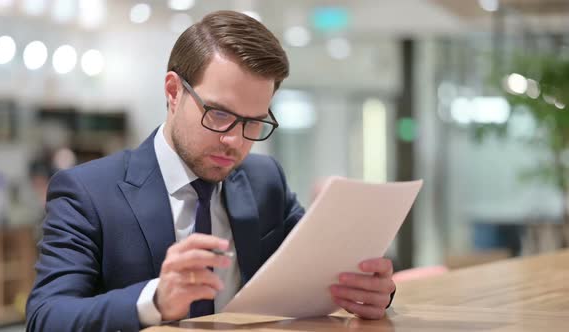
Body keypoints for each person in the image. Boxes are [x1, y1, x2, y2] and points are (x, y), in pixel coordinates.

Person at [26, 10, 396, 332]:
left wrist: (371, 288)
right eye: (219, 114)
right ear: (173, 92)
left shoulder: (265, 182)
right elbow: (47, 317)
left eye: (253, 123)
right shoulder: (88, 192)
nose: (235, 141)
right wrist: (153, 300)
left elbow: (321, 266)